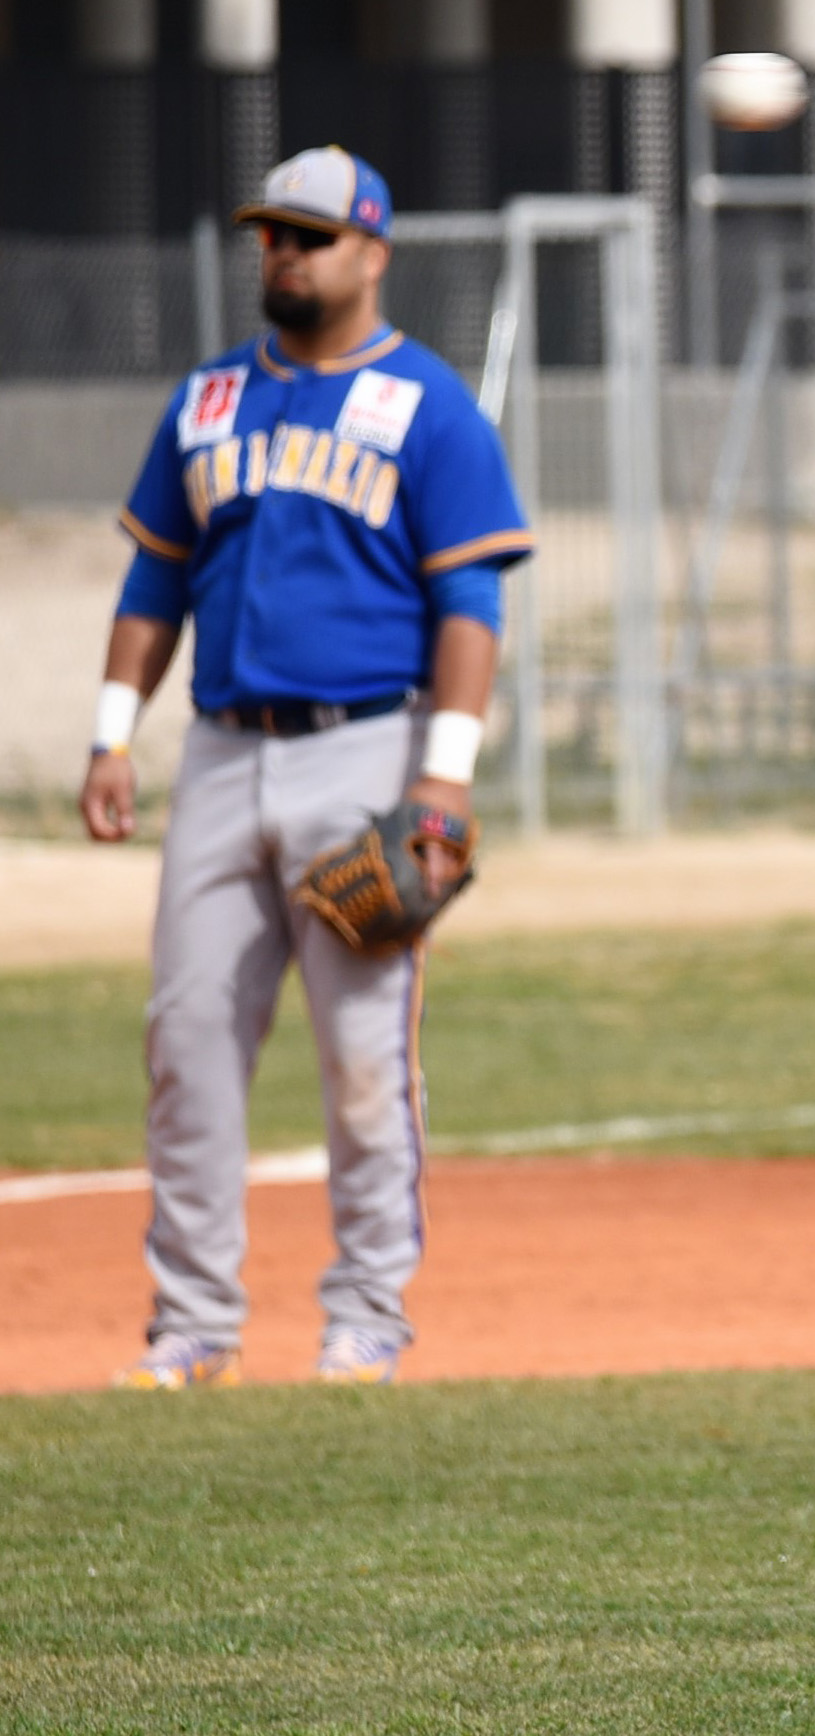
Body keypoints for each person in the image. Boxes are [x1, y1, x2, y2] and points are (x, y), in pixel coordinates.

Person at [87, 148, 530, 1389]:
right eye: (272, 235)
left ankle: (367, 1315)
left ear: (372, 252)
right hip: (225, 754)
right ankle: (192, 1324)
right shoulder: (211, 398)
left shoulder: (426, 406)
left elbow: (470, 601)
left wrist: (443, 776)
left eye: (311, 236)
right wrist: (113, 730)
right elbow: (154, 576)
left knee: (363, 1052)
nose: (285, 254)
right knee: (186, 1042)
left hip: (368, 752)